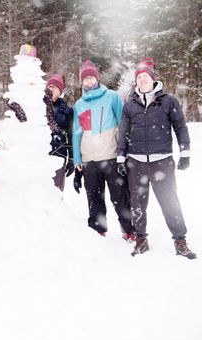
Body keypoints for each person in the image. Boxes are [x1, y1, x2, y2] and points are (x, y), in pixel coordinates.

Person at [116, 58, 196, 259]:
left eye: (145, 77)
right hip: (136, 162)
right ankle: (141, 240)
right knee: (137, 203)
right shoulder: (129, 105)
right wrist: (120, 157)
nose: (141, 80)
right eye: (138, 78)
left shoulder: (168, 101)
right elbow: (124, 132)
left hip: (162, 161)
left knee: (170, 201)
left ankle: (180, 241)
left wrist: (185, 152)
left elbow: (180, 126)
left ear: (152, 79)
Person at [72, 59, 134, 241]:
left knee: (120, 197)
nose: (89, 81)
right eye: (85, 79)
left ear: (97, 78)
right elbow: (76, 134)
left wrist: (124, 152)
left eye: (91, 78)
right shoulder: (79, 105)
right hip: (89, 159)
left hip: (111, 156)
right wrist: (77, 160)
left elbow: (123, 125)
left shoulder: (112, 97)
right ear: (82, 82)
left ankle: (129, 230)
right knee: (94, 197)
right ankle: (97, 231)